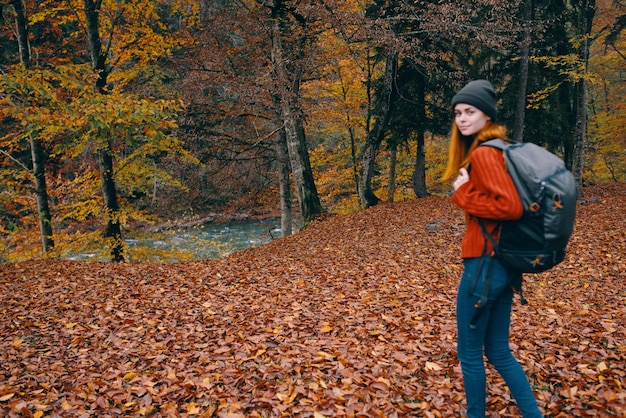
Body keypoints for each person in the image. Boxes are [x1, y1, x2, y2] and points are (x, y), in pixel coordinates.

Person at [442, 79, 543, 417]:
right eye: (458, 112)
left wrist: (462, 191)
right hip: (501, 264)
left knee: (469, 352)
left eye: (470, 111)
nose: (462, 118)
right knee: (498, 350)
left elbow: (511, 206)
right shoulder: (499, 148)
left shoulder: (485, 153)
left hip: (484, 265)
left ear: (487, 114)